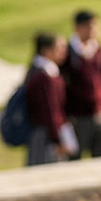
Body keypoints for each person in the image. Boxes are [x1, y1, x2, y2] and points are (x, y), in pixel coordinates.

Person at [62, 9, 101, 159]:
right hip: (78, 116)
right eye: (90, 26)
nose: (94, 30)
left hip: (100, 113)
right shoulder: (68, 52)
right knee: (75, 158)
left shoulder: (98, 49)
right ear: (78, 28)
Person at [24, 32, 77, 166]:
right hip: (46, 136)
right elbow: (50, 110)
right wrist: (58, 140)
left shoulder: (44, 71)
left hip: (47, 132)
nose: (63, 52)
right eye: (59, 48)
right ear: (46, 50)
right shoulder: (43, 76)